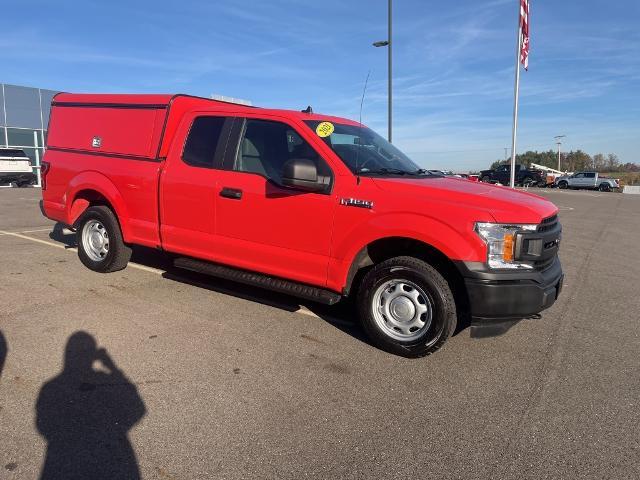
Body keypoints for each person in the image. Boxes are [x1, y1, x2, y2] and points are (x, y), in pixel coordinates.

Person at [36, 331, 146, 480]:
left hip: (61, 458)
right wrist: (113, 368)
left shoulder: (50, 387)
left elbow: (42, 424)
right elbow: (138, 408)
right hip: (113, 452)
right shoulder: (51, 387)